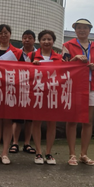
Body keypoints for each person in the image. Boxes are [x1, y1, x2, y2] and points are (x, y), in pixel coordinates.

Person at [62, 19, 94, 166]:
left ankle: (84, 154)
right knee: (72, 120)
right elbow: (63, 67)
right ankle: (72, 154)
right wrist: (74, 59)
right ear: (75, 30)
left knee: (88, 121)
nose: (82, 30)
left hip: (92, 85)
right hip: (74, 87)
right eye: (79, 27)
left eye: (85, 28)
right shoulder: (67, 46)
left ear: (89, 30)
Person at [0, 24, 26, 165]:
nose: (3, 35)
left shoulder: (18, 52)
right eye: (0, 33)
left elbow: (23, 70)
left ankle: (5, 154)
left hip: (10, 90)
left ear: (10, 34)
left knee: (8, 122)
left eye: (6, 32)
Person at [31, 30, 63, 165]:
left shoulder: (59, 58)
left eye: (49, 39)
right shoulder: (32, 56)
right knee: (36, 122)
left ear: (53, 41)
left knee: (52, 123)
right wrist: (32, 65)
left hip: (53, 93)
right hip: (36, 92)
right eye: (43, 39)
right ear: (39, 41)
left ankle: (48, 153)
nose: (46, 42)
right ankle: (38, 152)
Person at [9, 30, 36, 155]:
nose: (27, 40)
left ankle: (27, 143)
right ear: (21, 40)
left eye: (30, 38)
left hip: (33, 89)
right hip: (18, 88)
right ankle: (14, 143)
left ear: (34, 40)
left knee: (30, 118)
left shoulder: (38, 54)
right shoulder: (15, 53)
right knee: (17, 117)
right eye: (25, 37)